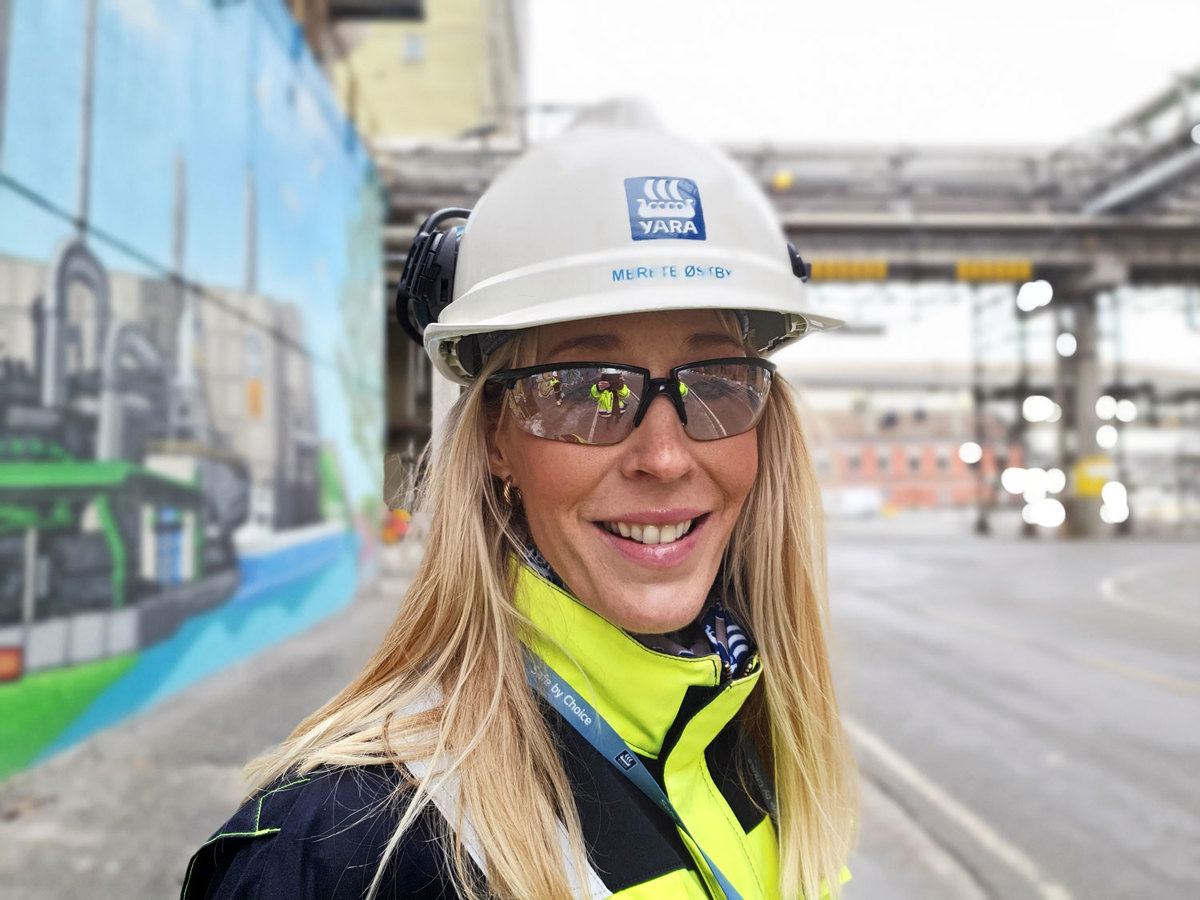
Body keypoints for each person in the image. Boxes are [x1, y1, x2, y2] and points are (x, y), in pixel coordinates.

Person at [183, 107, 857, 900]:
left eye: (713, 381)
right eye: (584, 391)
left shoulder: (752, 752)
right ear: (498, 438)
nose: (666, 457)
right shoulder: (345, 850)